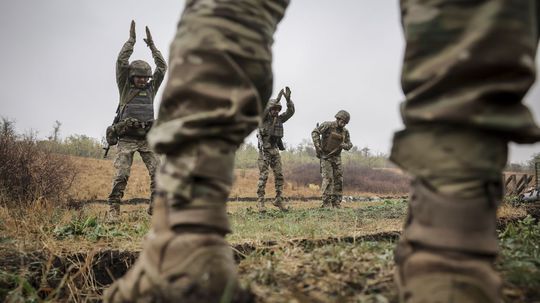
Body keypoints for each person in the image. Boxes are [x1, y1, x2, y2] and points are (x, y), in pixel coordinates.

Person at [105, 1, 540, 302]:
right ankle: (454, 258)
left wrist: (293, 106)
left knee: (231, 10)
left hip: (193, 142)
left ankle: (183, 246)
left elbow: (289, 115)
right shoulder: (276, 121)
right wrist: (132, 47)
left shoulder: (308, 123)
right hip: (149, 138)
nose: (143, 82)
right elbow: (277, 122)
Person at [106, 20, 167, 218]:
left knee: (158, 173)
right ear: (131, 77)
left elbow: (162, 67)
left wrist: (152, 46)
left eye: (145, 77)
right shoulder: (125, 88)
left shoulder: (151, 88)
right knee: (122, 174)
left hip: (147, 138)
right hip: (127, 139)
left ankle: (154, 207)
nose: (142, 80)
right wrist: (131, 42)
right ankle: (113, 209)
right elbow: (121, 62)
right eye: (138, 77)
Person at [256, 87, 295, 212]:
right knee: (264, 176)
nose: (276, 111)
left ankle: (278, 199)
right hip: (264, 152)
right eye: (273, 109)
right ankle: (260, 202)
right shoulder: (263, 119)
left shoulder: (279, 119)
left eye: (278, 109)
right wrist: (276, 100)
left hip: (275, 151)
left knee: (279, 176)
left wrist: (288, 100)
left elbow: (290, 112)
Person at [312, 110, 352, 208]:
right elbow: (315, 132)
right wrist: (318, 146)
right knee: (328, 179)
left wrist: (345, 145)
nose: (343, 124)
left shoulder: (345, 131)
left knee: (339, 179)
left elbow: (349, 144)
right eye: (342, 121)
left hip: (337, 158)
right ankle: (326, 203)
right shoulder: (328, 125)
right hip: (326, 157)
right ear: (338, 118)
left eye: (345, 123)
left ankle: (336, 203)